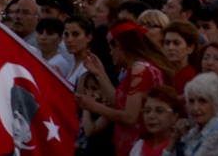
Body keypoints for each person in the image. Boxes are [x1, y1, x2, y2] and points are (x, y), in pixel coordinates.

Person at [73, 20, 171, 156]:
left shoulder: (140, 70)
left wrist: (93, 106)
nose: (110, 53)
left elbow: (129, 117)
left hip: (137, 148)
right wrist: (100, 74)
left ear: (119, 46)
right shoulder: (138, 69)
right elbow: (120, 105)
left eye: (111, 48)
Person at [170, 73, 218, 156]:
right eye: (191, 101)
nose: (195, 108)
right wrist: (176, 138)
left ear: (215, 103)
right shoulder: (195, 131)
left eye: (202, 101)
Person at [128, 86, 182, 156]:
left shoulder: (181, 147)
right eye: (147, 111)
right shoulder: (139, 146)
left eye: (159, 111)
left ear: (175, 115)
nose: (151, 116)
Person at [164, 21, 201, 96]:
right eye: (167, 43)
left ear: (190, 48)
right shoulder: (164, 73)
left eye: (176, 43)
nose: (170, 47)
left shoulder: (191, 78)